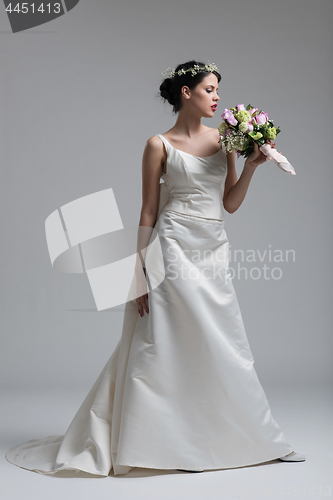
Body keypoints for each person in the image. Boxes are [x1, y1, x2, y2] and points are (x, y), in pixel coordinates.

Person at [5, 60, 305, 477]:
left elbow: (229, 204)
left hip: (211, 250)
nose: (217, 97)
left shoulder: (226, 140)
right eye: (209, 89)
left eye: (219, 90)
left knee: (224, 343)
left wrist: (251, 166)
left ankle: (257, 437)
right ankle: (153, 442)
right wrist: (137, 271)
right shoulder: (157, 144)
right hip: (172, 249)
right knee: (160, 344)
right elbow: (147, 210)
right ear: (187, 92)